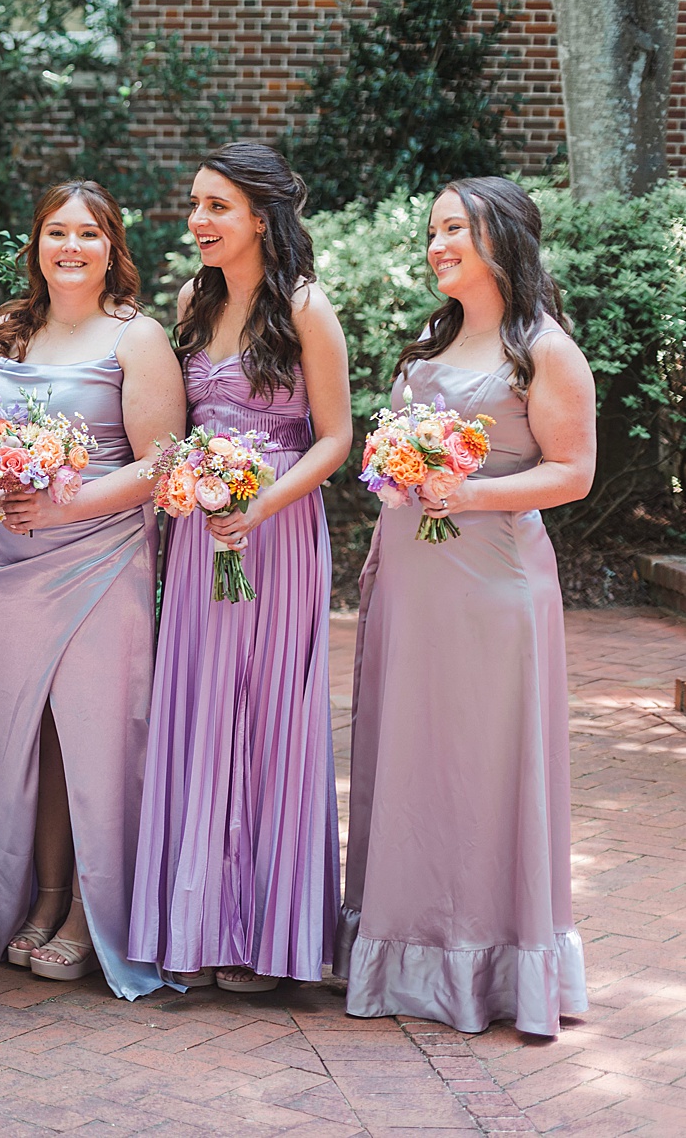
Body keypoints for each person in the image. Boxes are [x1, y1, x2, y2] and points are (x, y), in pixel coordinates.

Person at [340, 178, 594, 1035]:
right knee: (412, 759)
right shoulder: (429, 342)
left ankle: (491, 964)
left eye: (455, 228)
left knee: (487, 767)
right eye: (433, 229)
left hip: (493, 589)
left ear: (502, 239)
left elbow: (572, 473)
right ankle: (404, 951)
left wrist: (467, 492)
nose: (437, 243)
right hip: (414, 582)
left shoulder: (543, 349)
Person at [129, 142, 351, 993]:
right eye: (195, 204)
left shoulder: (305, 309)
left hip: (278, 532)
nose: (197, 220)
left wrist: (257, 504)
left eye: (216, 206)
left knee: (264, 716)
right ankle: (202, 922)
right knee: (200, 708)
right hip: (198, 538)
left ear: (261, 215)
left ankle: (265, 933)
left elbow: (336, 437)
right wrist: (193, 487)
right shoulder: (192, 299)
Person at [0, 181, 184, 999]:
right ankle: (45, 896)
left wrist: (64, 504)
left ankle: (98, 917)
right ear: (36, 241)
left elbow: (160, 462)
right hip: (14, 562)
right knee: (32, 740)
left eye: (88, 234)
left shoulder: (138, 339)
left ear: (111, 247)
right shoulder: (7, 330)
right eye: (56, 231)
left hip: (102, 556)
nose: (70, 247)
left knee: (98, 737)